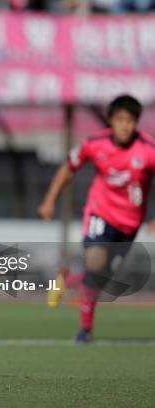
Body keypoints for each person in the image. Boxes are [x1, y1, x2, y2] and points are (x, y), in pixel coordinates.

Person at [38, 94, 155, 343]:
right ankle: (85, 330)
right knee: (95, 265)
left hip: (130, 224)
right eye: (120, 119)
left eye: (130, 120)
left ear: (137, 122)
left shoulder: (148, 150)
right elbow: (68, 168)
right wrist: (49, 200)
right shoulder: (94, 143)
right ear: (110, 120)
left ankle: (67, 278)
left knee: (101, 277)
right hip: (100, 214)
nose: (125, 125)